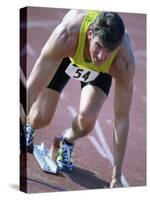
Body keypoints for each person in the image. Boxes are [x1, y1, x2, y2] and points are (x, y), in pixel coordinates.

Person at [25, 10, 135, 188]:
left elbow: (121, 119)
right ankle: (30, 126)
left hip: (99, 73)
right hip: (67, 55)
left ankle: (66, 140)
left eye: (108, 52)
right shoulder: (66, 35)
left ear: (117, 48)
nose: (100, 57)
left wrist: (117, 175)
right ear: (90, 33)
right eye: (98, 47)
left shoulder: (123, 61)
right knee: (40, 118)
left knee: (88, 120)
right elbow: (31, 88)